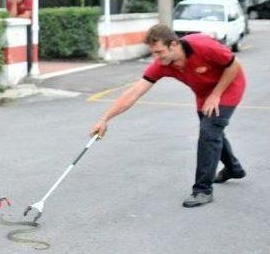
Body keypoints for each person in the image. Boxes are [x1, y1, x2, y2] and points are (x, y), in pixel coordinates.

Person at [90, 24, 247, 208]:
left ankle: (202, 190)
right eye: (153, 53)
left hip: (228, 86)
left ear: (173, 44)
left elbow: (233, 64)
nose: (156, 58)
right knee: (212, 133)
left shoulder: (202, 45)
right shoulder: (162, 64)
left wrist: (216, 94)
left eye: (159, 52)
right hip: (204, 93)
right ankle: (233, 168)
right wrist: (104, 118)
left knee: (209, 132)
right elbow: (134, 92)